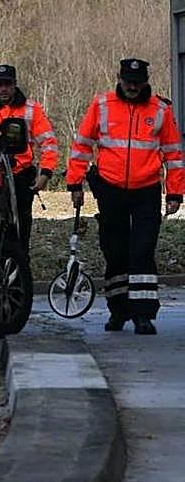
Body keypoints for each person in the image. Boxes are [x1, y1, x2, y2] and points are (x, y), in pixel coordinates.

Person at [66, 58, 184, 336]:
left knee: (142, 250)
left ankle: (143, 314)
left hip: (146, 189)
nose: (132, 87)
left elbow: (173, 154)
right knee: (115, 250)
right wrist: (74, 182)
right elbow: (82, 144)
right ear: (119, 78)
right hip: (111, 187)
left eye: (137, 83)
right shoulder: (102, 105)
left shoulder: (160, 109)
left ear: (145, 82)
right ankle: (118, 310)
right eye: (128, 81)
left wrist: (175, 192)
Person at [0, 64, 58, 254]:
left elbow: (49, 143)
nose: (3, 89)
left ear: (15, 84)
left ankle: (20, 273)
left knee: (20, 231)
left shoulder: (31, 109)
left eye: (7, 84)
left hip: (21, 177)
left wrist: (45, 173)